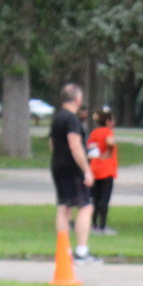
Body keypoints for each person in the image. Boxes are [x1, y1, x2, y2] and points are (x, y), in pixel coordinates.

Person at [49, 83, 99, 264]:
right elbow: (75, 145)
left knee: (64, 208)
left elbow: (52, 143)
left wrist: (60, 157)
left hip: (58, 165)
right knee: (85, 207)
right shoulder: (71, 119)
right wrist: (86, 169)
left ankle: (64, 251)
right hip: (73, 169)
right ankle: (82, 252)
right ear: (78, 99)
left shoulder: (57, 118)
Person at [87, 107, 119, 235]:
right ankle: (102, 226)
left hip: (94, 169)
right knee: (104, 199)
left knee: (95, 198)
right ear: (107, 121)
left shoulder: (94, 133)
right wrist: (109, 152)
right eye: (112, 120)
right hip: (106, 170)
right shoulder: (108, 132)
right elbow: (109, 142)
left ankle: (93, 225)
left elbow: (89, 149)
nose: (114, 123)